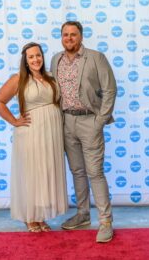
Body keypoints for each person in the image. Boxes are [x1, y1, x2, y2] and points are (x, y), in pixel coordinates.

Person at [50, 21, 117, 242]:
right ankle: (83, 214)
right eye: (65, 34)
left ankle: (105, 222)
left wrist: (100, 121)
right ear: (61, 37)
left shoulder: (96, 57)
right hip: (67, 121)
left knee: (95, 172)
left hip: (90, 121)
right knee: (77, 171)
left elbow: (110, 89)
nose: (69, 38)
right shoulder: (55, 59)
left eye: (73, 34)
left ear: (81, 36)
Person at [0, 42, 68, 232]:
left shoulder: (51, 77)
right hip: (31, 132)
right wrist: (14, 121)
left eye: (38, 55)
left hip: (51, 133)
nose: (36, 59)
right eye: (31, 57)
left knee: (45, 172)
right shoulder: (18, 79)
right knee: (32, 173)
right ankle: (30, 217)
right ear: (25, 61)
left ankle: (40, 216)